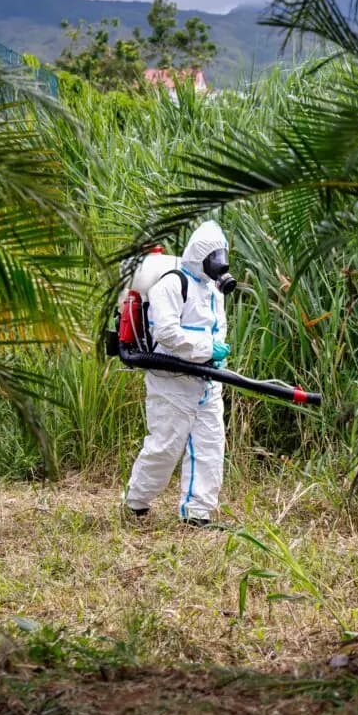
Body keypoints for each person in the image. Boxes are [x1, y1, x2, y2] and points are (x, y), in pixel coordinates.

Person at [124, 221, 233, 527]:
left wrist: (217, 354)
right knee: (165, 447)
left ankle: (197, 514)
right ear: (200, 257)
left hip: (207, 383)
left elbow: (217, 328)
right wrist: (206, 348)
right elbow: (167, 333)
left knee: (210, 448)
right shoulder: (172, 284)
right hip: (171, 382)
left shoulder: (214, 289)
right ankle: (136, 503)